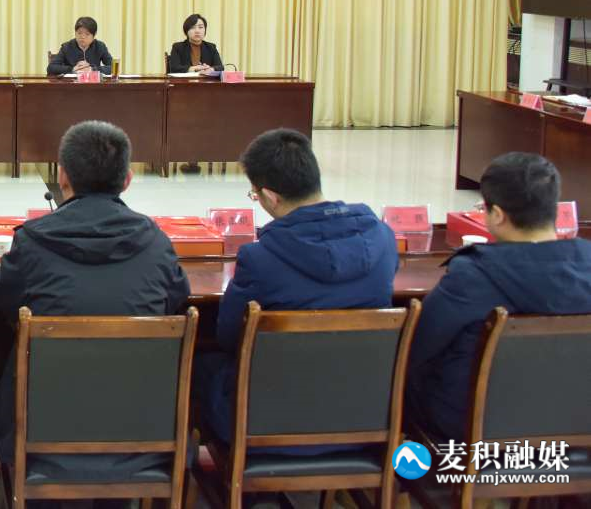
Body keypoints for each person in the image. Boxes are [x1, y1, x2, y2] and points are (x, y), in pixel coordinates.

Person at [0, 121, 190, 495]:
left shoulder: (31, 243)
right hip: (142, 430)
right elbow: (175, 300)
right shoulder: (157, 244)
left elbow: (4, 298)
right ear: (127, 180)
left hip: (41, 428)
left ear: (62, 176)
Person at [194, 128, 399, 454]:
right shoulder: (384, 240)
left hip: (266, 423)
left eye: (255, 195)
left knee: (197, 365)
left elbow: (229, 337)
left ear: (270, 196)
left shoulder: (260, 258)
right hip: (360, 414)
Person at [408, 153, 591, 442]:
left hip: (473, 425)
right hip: (574, 420)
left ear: (497, 215)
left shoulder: (472, 276)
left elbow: (418, 347)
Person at [46, 16, 114, 76]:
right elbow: (51, 68)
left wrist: (92, 69)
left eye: (87, 34)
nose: (82, 37)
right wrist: (72, 69)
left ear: (94, 35)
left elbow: (113, 67)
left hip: (92, 83)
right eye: (79, 33)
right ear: (75, 32)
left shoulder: (100, 46)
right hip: (71, 84)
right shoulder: (66, 47)